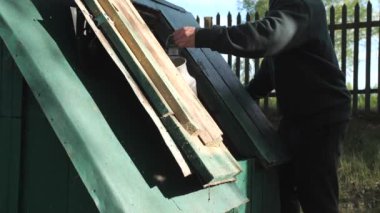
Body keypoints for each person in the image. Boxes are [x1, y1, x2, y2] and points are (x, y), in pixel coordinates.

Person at [172, 0, 351, 212]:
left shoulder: (303, 4)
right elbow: (274, 64)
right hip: (297, 117)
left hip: (323, 114)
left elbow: (268, 36)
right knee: (280, 185)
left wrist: (203, 36)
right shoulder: (283, 6)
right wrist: (245, 96)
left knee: (316, 194)